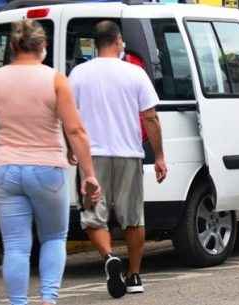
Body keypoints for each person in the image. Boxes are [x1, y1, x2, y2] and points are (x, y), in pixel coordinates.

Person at [0, 20, 101, 305]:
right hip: (47, 168)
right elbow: (75, 130)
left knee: (15, 245)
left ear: (13, 47)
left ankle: (18, 302)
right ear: (43, 47)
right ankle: (48, 299)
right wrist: (89, 174)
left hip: (6, 170)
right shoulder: (55, 80)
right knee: (53, 237)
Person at [68, 20, 167, 298]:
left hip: (92, 157)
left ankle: (109, 257)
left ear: (95, 43)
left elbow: (69, 118)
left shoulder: (78, 74)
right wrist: (159, 155)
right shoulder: (134, 73)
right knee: (133, 218)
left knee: (94, 217)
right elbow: (150, 117)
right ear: (118, 40)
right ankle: (134, 275)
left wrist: (70, 147)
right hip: (129, 155)